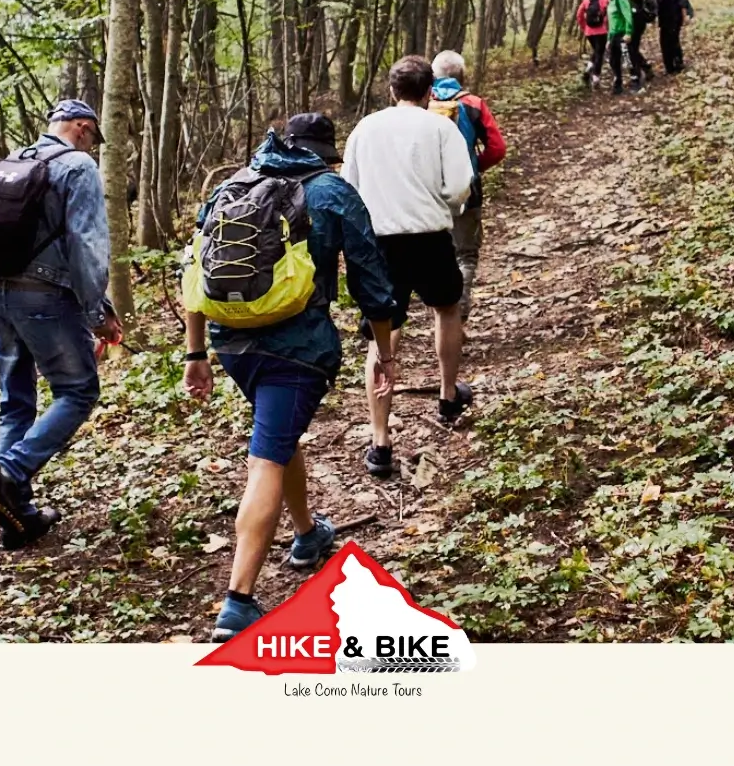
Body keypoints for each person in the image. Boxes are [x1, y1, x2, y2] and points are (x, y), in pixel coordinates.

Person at [183, 114, 397, 642]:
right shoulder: (332, 191)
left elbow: (193, 270)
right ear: (327, 152)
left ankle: (305, 534)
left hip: (232, 343)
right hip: (297, 351)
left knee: (277, 436)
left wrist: (195, 353)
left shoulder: (233, 186)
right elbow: (371, 281)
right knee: (267, 457)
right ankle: (237, 601)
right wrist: (385, 351)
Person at [0, 99, 120, 551]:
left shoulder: (11, 163)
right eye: (92, 135)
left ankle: (17, 518)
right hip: (45, 296)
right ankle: (10, 473)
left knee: (15, 399)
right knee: (77, 391)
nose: (92, 145)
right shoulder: (77, 166)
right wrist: (98, 314)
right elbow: (87, 247)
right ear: (81, 126)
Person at [341, 55, 474, 479]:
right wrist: (442, 204)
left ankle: (380, 440)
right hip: (430, 237)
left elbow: (349, 188)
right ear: (429, 91)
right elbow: (459, 187)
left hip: (379, 244)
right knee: (446, 309)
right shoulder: (441, 127)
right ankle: (448, 393)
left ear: (392, 91)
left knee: (383, 330)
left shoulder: (364, 129)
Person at [430, 50, 507, 321]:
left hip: (427, 192)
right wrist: (475, 167)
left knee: (435, 253)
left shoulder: (420, 105)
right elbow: (497, 148)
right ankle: (458, 313)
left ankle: (441, 312)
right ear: (461, 76)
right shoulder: (473, 103)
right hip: (466, 189)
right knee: (466, 255)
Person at [621, 0, 656, 87]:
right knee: (632, 49)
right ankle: (645, 68)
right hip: (629, 22)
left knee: (632, 49)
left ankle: (638, 75)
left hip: (638, 21)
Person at [576, 0, 611, 90]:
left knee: (596, 51)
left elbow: (579, 14)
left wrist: (584, 27)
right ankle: (596, 77)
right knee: (599, 53)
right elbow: (610, 13)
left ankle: (589, 68)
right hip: (602, 30)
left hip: (589, 31)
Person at [657, 0, 691, 75]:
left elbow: (683, 2)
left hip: (675, 19)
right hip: (663, 21)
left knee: (673, 41)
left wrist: (685, 16)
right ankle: (669, 67)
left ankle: (678, 63)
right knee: (663, 42)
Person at [606, 0, 634, 95]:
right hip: (613, 35)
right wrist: (608, 39)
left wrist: (628, 32)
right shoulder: (610, 1)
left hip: (622, 34)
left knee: (628, 60)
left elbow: (628, 15)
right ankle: (618, 85)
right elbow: (611, 22)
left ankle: (636, 82)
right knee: (613, 61)